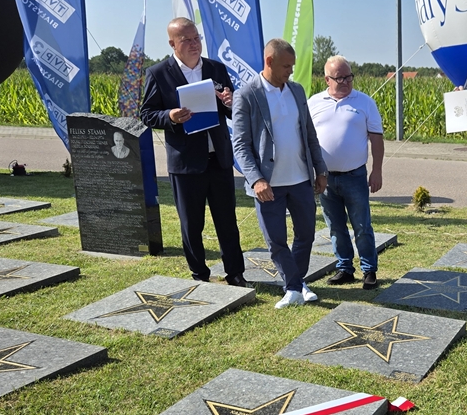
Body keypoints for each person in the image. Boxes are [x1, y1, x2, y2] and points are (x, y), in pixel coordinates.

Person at [140, 17, 246, 287]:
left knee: (227, 221)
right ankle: (200, 275)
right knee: (191, 224)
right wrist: (170, 116)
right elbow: (147, 114)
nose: (193, 44)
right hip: (186, 163)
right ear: (172, 44)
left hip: (219, 159)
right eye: (186, 39)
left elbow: (231, 110)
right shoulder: (158, 73)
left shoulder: (215, 68)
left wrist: (230, 102)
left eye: (196, 38)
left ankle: (235, 273)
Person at [232, 38, 328, 309]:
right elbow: (240, 144)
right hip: (268, 184)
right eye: (286, 66)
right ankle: (295, 287)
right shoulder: (247, 95)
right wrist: (256, 179)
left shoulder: (296, 90)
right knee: (276, 240)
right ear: (269, 61)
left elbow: (310, 134)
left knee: (306, 235)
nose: (291, 71)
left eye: (292, 66)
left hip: (300, 179)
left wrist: (320, 169)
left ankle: (296, 284)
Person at [308, 55, 384, 290]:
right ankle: (345, 268)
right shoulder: (314, 103)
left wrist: (377, 170)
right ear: (327, 80)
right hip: (325, 177)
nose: (345, 82)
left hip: (355, 176)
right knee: (335, 226)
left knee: (362, 225)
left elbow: (377, 139)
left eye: (348, 77)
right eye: (339, 78)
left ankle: (369, 270)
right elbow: (306, 139)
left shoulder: (365, 102)